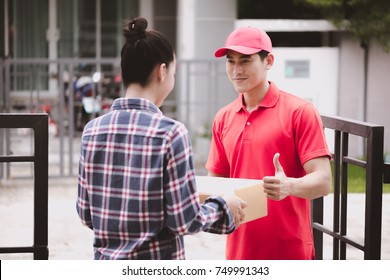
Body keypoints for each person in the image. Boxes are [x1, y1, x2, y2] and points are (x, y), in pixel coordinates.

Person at [76, 17, 247, 260]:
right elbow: (185, 221)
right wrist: (223, 206)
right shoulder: (171, 133)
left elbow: (86, 214)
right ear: (163, 71)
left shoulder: (92, 131)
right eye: (174, 72)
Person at [206, 26, 332, 260]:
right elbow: (217, 181)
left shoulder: (300, 112)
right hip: (239, 255)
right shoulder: (223, 117)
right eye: (231, 61)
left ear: (269, 61)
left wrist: (289, 186)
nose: (236, 70)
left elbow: (324, 181)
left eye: (245, 61)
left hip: (290, 253)